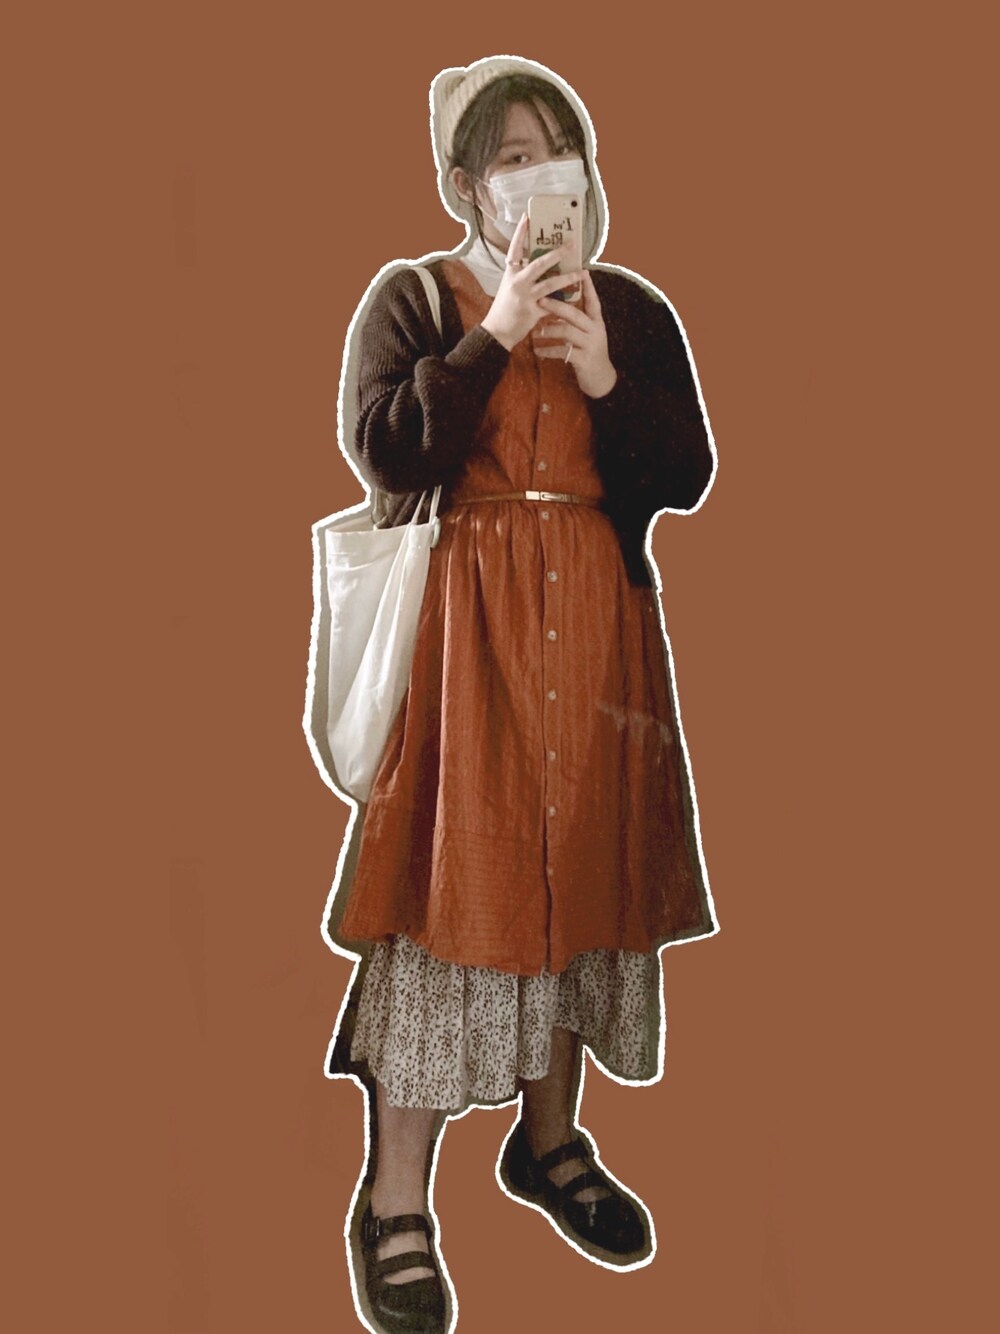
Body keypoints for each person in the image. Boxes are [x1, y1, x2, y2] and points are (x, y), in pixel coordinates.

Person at [322, 55, 719, 1334]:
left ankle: (548, 1146)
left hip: (600, 645)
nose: (542, 173)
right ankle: (393, 1200)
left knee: (581, 884)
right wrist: (492, 334)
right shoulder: (412, 297)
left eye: (560, 149)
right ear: (464, 184)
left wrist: (603, 374)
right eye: (511, 156)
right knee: (448, 902)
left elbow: (683, 471)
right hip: (464, 649)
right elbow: (386, 446)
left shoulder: (632, 307)